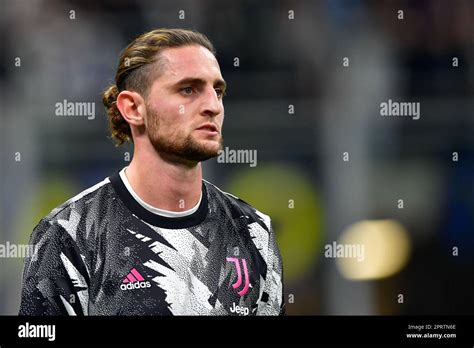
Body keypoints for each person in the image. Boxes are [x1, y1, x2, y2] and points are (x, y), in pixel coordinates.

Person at [19, 28, 284, 316]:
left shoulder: (254, 231)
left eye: (217, 91)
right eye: (188, 89)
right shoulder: (70, 233)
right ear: (133, 108)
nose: (212, 106)